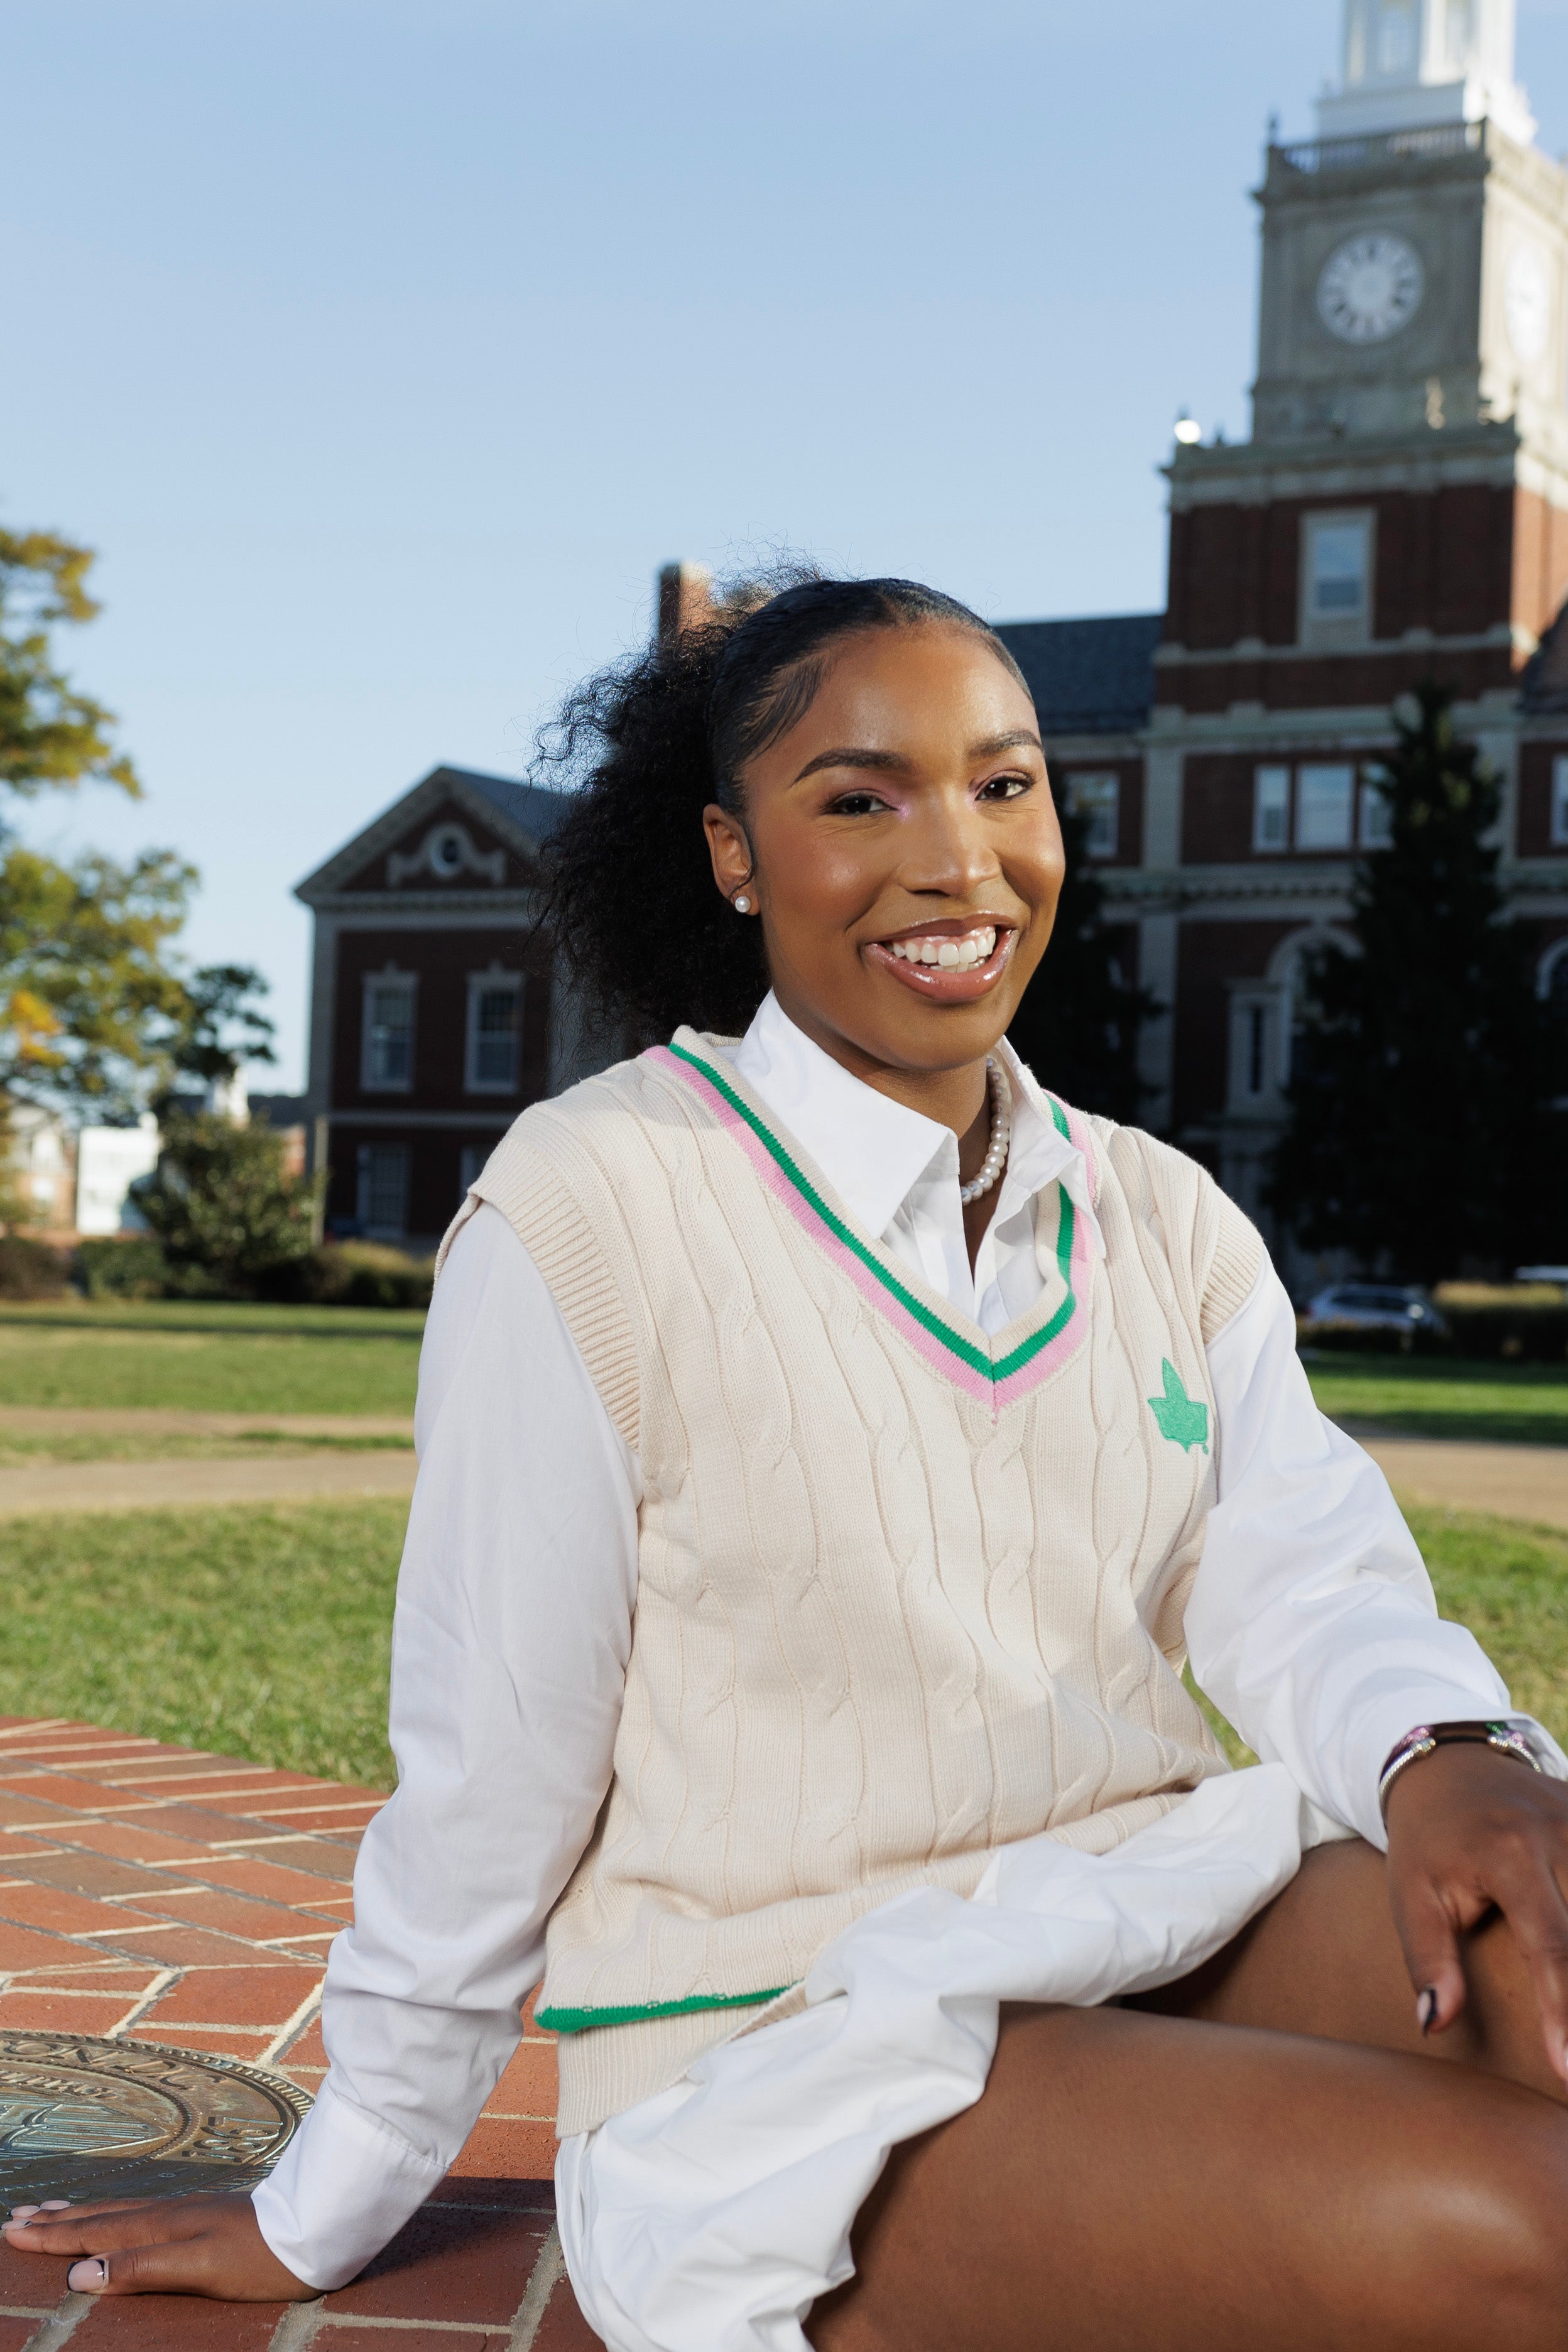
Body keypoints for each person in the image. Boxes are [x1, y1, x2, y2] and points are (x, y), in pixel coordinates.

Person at [12, 574, 1568, 2352]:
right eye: (858, 798)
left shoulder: (1158, 1212)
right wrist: (331, 2193)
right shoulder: (592, 1208)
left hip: (1131, 1908)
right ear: (732, 854)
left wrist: (1448, 1755)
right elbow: (492, 1777)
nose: (959, 859)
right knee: (1533, 2227)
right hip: (776, 2045)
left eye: (1005, 784)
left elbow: (1304, 1577)